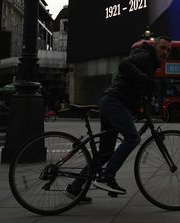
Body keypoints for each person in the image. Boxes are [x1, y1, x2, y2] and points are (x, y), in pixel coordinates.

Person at [66, 36, 172, 203]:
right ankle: (108, 175)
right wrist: (144, 79)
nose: (165, 52)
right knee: (133, 138)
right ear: (155, 47)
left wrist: (140, 106)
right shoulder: (145, 57)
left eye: (168, 50)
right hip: (114, 102)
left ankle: (75, 188)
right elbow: (124, 64)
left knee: (105, 153)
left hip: (112, 102)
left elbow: (134, 87)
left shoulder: (151, 64)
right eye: (163, 48)